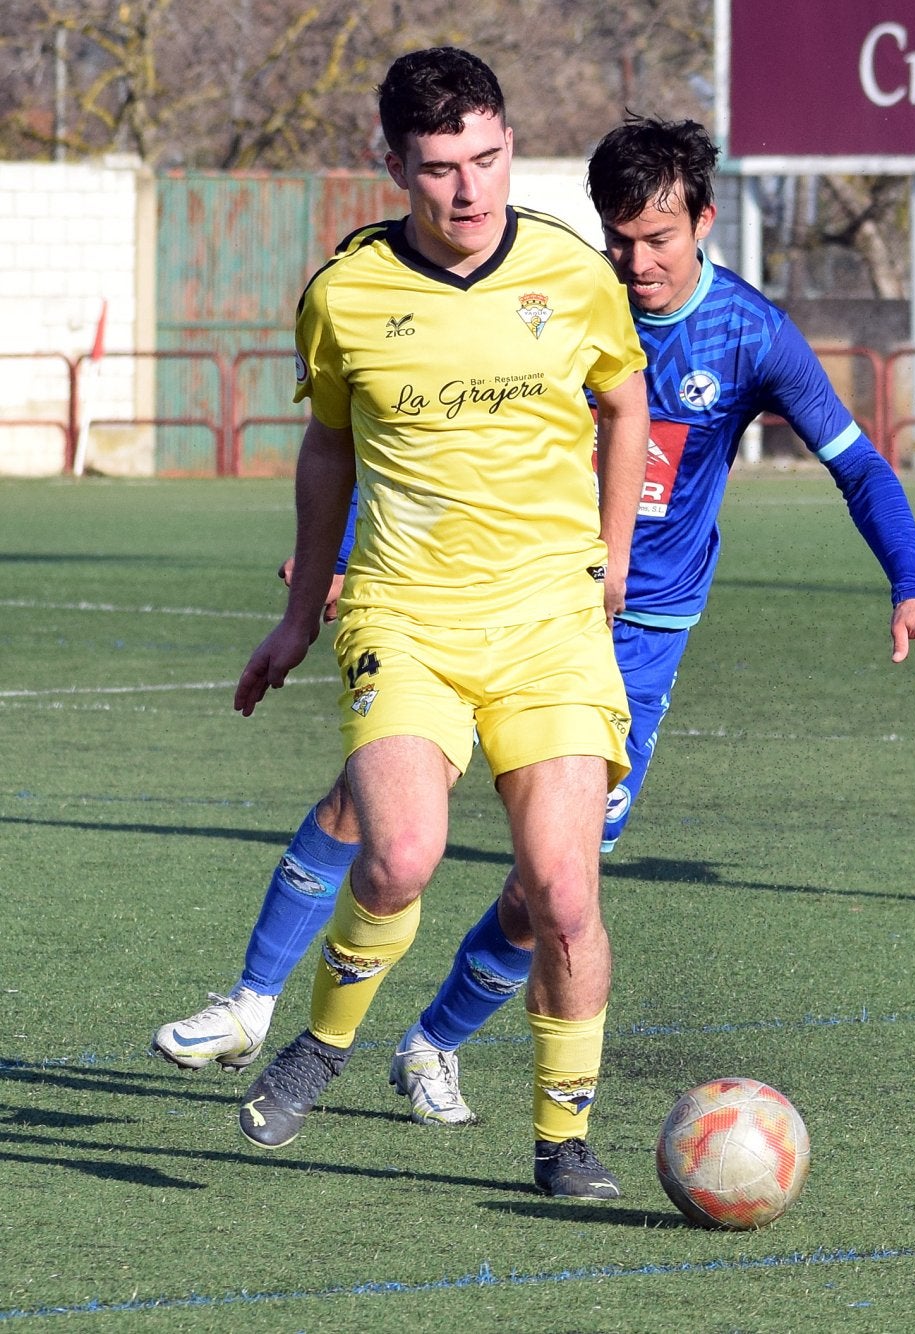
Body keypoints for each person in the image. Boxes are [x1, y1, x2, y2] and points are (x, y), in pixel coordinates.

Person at [154, 116, 915, 1142]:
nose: (637, 263)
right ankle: (256, 1003)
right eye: (618, 240)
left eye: (659, 238)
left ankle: (435, 1039)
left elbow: (857, 464)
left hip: (634, 634)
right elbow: (413, 435)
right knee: (377, 805)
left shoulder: (749, 334)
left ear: (703, 223)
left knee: (556, 888)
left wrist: (911, 582)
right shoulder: (550, 294)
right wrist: (346, 553)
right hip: (473, 596)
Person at [223, 46, 651, 1200]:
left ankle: (561, 1139)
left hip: (549, 622)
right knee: (401, 850)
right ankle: (321, 1044)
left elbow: (624, 400)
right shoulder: (345, 292)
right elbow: (325, 445)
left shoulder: (571, 275)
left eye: (489, 157)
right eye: (441, 168)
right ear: (395, 166)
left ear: (510, 142)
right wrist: (297, 611)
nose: (471, 190)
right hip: (405, 613)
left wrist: (612, 555)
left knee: (563, 891)